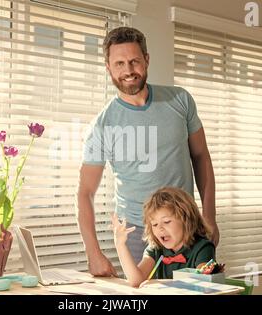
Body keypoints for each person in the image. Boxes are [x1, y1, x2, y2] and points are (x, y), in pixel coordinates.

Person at [75, 26, 219, 277]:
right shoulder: (102, 126)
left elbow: (201, 156)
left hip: (187, 229)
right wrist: (94, 254)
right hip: (136, 234)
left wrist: (209, 216)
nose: (128, 71)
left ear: (147, 60)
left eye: (134, 61)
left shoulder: (181, 100)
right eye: (119, 63)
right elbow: (85, 193)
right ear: (108, 67)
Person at [112, 187, 215, 287]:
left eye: (166, 222)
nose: (160, 228)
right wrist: (120, 245)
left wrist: (157, 283)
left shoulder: (203, 248)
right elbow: (136, 280)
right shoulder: (155, 249)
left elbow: (202, 284)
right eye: (154, 224)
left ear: (186, 220)